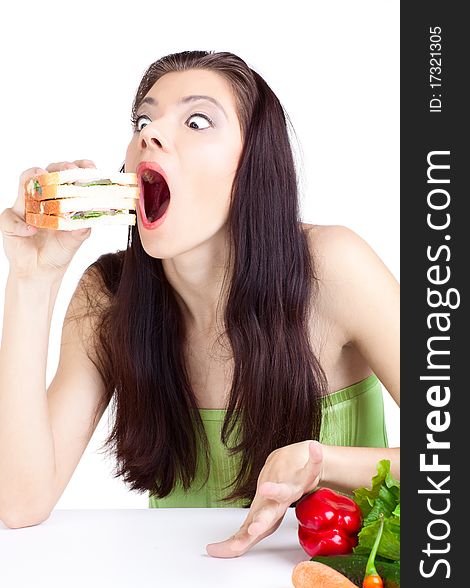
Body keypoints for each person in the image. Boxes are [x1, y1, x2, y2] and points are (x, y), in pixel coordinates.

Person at [0, 50, 399, 558]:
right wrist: (33, 279)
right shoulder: (108, 298)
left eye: (196, 120)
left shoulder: (334, 268)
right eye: (143, 119)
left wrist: (324, 463)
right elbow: (20, 502)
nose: (150, 134)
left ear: (253, 165)